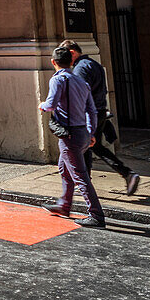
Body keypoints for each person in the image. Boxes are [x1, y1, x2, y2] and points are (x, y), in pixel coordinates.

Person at [61, 40, 140, 196]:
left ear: (71, 53)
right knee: (94, 147)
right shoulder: (93, 64)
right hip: (99, 111)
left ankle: (85, 183)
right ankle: (126, 174)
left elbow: (80, 94)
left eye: (65, 56)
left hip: (89, 114)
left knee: (83, 147)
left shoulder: (80, 69)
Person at [40, 46, 105, 227]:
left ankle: (96, 215)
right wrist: (91, 133)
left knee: (80, 176)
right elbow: (91, 110)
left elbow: (51, 105)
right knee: (64, 168)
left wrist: (42, 105)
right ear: (71, 61)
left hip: (70, 135)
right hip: (83, 132)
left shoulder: (58, 80)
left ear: (53, 62)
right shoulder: (81, 82)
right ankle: (64, 205)